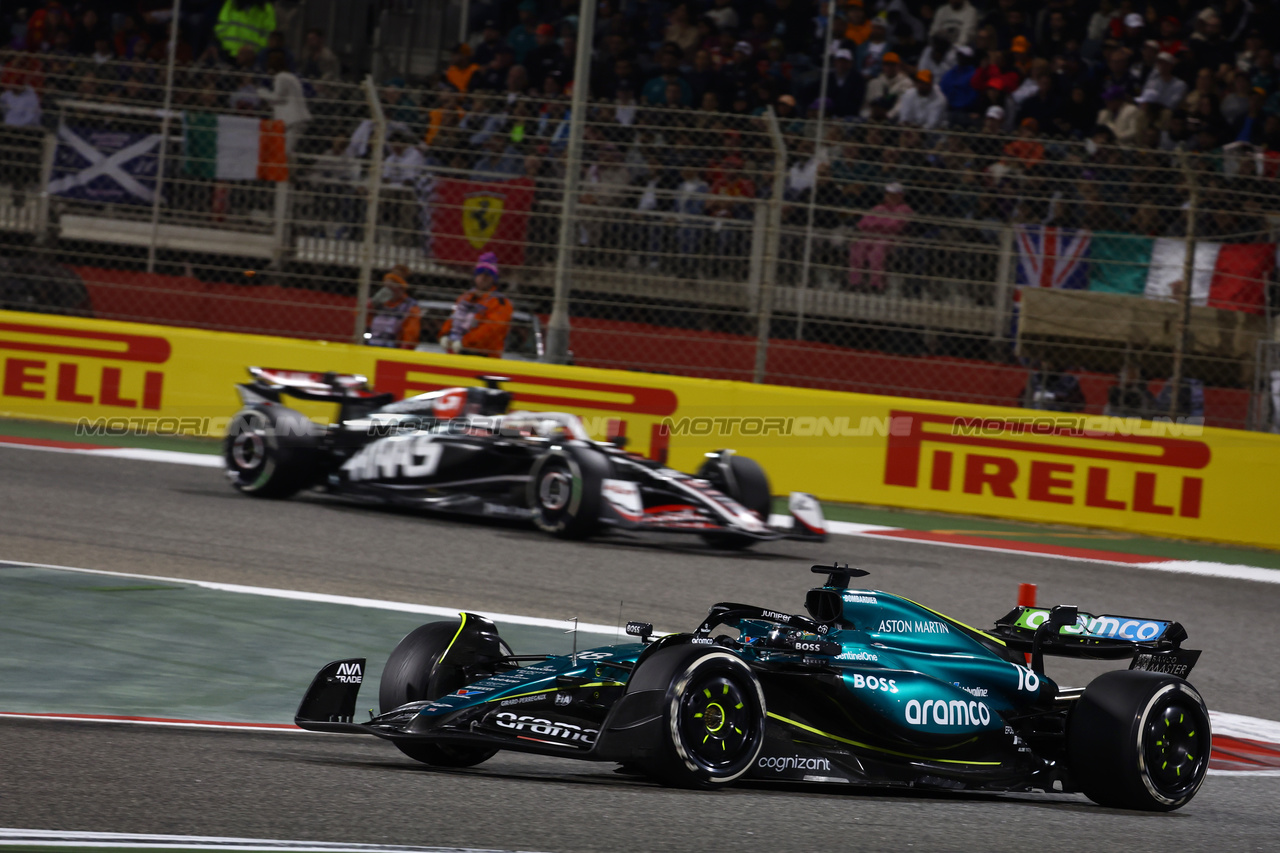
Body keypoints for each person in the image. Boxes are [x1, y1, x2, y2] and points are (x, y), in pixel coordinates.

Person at [438, 253, 514, 358]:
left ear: (494, 279)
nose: (483, 278)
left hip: (483, 356)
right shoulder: (465, 297)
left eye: (488, 275)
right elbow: (453, 318)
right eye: (480, 274)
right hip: (457, 352)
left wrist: (464, 342)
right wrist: (445, 334)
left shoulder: (500, 302)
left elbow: (491, 330)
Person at [848, 183, 912, 291]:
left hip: (890, 238)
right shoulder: (879, 207)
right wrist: (881, 223)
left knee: (878, 251)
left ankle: (876, 284)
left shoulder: (904, 209)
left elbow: (894, 226)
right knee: (858, 248)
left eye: (895, 195)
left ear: (901, 196)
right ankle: (855, 281)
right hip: (871, 236)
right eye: (888, 194)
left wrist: (875, 223)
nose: (891, 197)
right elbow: (863, 223)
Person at [256, 49, 310, 153]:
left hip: (294, 120)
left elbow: (278, 98)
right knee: (285, 150)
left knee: (286, 151)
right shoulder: (289, 76)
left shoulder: (281, 77)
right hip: (294, 119)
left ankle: (292, 168)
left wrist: (262, 92)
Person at [367, 266, 422, 349]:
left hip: (393, 347)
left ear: (401, 288)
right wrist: (370, 305)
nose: (387, 290)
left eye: (393, 285)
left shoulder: (409, 306)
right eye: (387, 286)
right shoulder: (378, 302)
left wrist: (403, 349)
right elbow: (361, 320)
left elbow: (411, 334)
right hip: (372, 343)